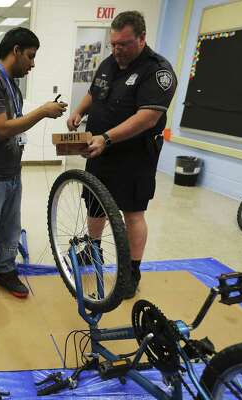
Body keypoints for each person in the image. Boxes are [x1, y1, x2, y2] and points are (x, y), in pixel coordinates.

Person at [66, 11, 177, 298]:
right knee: (94, 204)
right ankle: (92, 250)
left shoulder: (157, 72)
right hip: (99, 150)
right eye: (113, 43)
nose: (117, 50)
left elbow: (148, 117)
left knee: (132, 213)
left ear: (141, 38)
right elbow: (95, 91)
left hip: (134, 156)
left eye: (124, 44)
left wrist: (107, 137)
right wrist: (79, 111)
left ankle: (131, 271)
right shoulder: (109, 62)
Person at [0, 27, 67, 302]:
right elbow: (3, 129)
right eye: (30, 57)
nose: (33, 64)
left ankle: (6, 272)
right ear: (16, 51)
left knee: (10, 231)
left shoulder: (11, 84)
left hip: (10, 172)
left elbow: (14, 125)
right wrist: (43, 112)